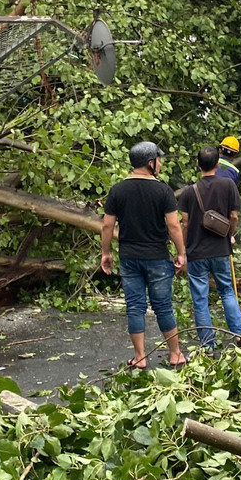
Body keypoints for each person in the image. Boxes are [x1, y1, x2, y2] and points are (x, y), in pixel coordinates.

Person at [101, 142, 188, 370]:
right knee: (163, 307)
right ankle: (175, 354)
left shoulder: (117, 190)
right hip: (157, 257)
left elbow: (107, 225)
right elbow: (174, 226)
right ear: (151, 163)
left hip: (129, 257)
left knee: (135, 306)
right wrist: (181, 253)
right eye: (159, 160)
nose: (160, 164)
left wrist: (106, 252)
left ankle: (139, 357)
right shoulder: (163, 191)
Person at [177, 146, 241, 350]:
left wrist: (184, 247)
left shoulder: (189, 191)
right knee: (227, 292)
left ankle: (208, 345)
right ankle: (239, 336)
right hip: (221, 250)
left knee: (200, 299)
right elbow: (233, 216)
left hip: (197, 252)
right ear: (217, 164)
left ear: (198, 164)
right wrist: (230, 235)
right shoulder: (229, 185)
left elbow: (185, 223)